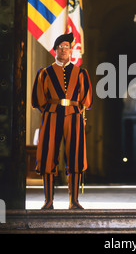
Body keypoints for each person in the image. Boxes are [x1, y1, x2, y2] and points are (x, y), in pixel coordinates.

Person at [32, 32, 92, 210]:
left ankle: (73, 201)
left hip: (74, 116)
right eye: (61, 47)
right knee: (48, 155)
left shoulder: (81, 72)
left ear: (71, 50)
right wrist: (51, 109)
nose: (64, 50)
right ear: (55, 50)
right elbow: (39, 98)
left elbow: (86, 99)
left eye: (67, 47)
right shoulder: (45, 73)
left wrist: (75, 109)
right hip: (51, 115)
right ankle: (48, 201)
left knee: (75, 156)